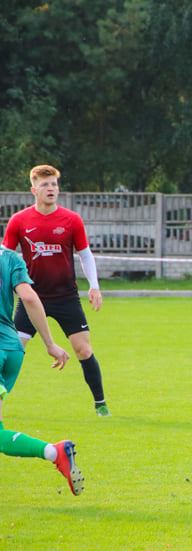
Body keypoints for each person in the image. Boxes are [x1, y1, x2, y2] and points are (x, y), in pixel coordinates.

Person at [2, 165, 111, 417]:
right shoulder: (19, 220)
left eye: (53, 184)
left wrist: (94, 285)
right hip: (32, 299)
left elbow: (85, 254)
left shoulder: (71, 219)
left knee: (83, 349)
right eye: (45, 185)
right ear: (34, 190)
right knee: (12, 349)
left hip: (66, 298)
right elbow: (5, 257)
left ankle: (100, 403)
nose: (51, 189)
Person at [0, 247, 83, 495]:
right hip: (12, 348)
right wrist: (49, 343)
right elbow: (29, 297)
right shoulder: (10, 257)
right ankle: (54, 452)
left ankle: (54, 451)